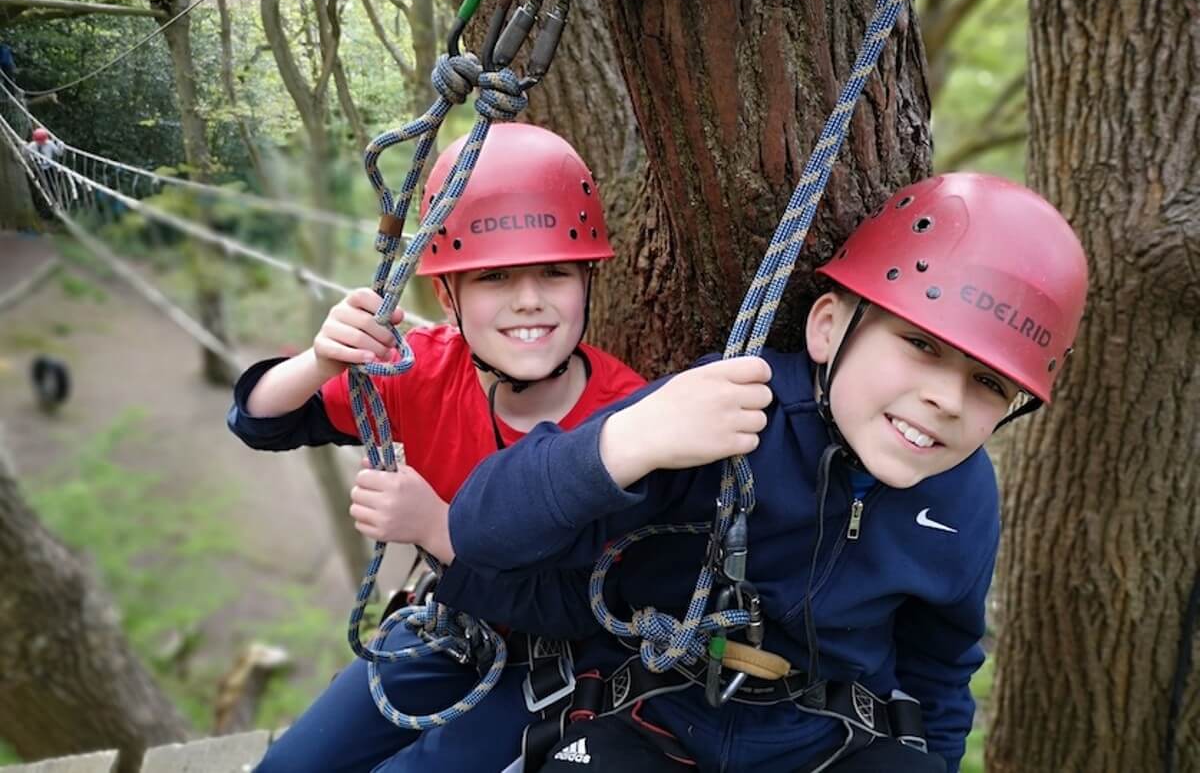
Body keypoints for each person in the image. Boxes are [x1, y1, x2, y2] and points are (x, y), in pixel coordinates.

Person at [440, 173, 1090, 773]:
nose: (947, 400)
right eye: (920, 345)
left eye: (987, 384)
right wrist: (628, 440)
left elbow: (940, 670)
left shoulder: (961, 497)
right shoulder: (729, 406)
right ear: (829, 327)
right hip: (649, 719)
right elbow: (483, 530)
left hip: (826, 743)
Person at [226, 122, 646, 773]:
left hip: (557, 666)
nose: (529, 302)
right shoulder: (423, 371)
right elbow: (262, 420)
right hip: (450, 633)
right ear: (447, 296)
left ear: (587, 280)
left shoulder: (625, 421)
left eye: (555, 272)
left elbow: (594, 607)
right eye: (495, 278)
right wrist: (318, 359)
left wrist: (436, 527)